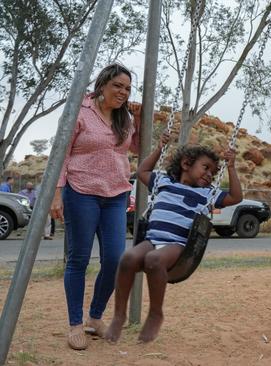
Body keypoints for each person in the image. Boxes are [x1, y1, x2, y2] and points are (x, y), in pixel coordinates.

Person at [104, 143, 242, 343]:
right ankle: (119, 314)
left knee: (154, 260)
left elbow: (236, 197)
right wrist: (159, 148)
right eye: (206, 168)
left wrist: (231, 168)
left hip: (178, 246)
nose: (210, 174)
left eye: (213, 172)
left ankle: (155, 314)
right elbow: (142, 171)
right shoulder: (163, 182)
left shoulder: (208, 193)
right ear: (186, 164)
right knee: (128, 258)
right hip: (152, 239)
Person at [50, 63, 140, 350]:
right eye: (118, 86)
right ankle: (76, 324)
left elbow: (133, 149)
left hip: (116, 194)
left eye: (127, 88)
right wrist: (56, 193)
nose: (123, 92)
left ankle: (94, 317)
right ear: (102, 85)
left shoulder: (125, 119)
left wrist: (139, 121)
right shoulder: (81, 111)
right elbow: (62, 152)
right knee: (79, 259)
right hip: (81, 192)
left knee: (116, 259)